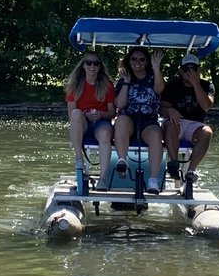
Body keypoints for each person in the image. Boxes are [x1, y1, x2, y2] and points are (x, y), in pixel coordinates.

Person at [113, 46, 165, 193]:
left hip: (148, 120)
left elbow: (159, 90)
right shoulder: (123, 79)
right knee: (120, 121)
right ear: (129, 61)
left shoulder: (154, 77)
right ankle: (122, 161)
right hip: (129, 119)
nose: (138, 62)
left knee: (156, 134)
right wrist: (126, 82)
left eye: (142, 59)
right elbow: (120, 104)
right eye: (134, 59)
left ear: (147, 62)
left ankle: (153, 180)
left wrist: (156, 67)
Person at [161, 53, 215, 184]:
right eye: (186, 69)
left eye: (193, 69)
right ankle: (174, 164)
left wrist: (196, 84)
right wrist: (169, 110)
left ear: (199, 70)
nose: (189, 73)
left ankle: (191, 171)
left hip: (195, 125)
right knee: (171, 125)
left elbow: (206, 106)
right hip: (176, 122)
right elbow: (160, 108)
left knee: (207, 132)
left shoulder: (207, 85)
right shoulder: (172, 85)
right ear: (181, 71)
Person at [65, 53, 116, 190]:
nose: (92, 66)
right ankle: (79, 159)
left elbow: (112, 112)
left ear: (100, 66)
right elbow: (71, 114)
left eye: (96, 63)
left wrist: (100, 114)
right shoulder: (74, 86)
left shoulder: (107, 85)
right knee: (76, 113)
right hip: (83, 124)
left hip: (101, 122)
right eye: (89, 63)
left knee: (105, 133)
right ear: (83, 65)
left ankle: (103, 179)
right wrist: (86, 115)